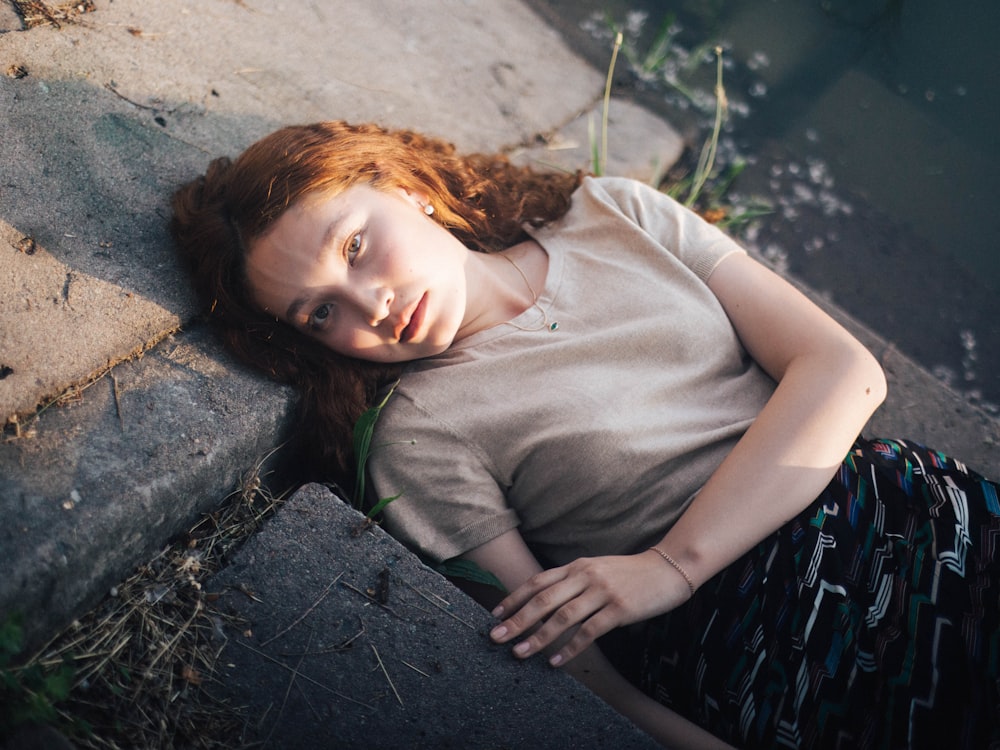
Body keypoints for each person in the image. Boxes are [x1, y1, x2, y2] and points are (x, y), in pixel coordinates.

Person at [171, 120, 1000, 749]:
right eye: (321, 313)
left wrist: (674, 563)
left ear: (404, 188)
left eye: (354, 246)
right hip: (771, 637)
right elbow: (563, 650)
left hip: (893, 512)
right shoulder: (418, 433)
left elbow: (842, 371)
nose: (369, 305)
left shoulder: (614, 212)